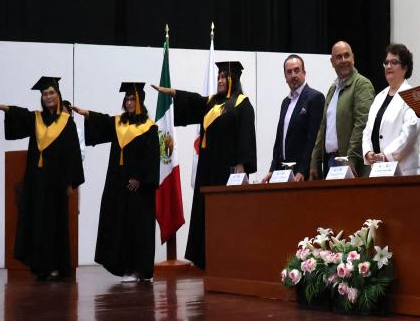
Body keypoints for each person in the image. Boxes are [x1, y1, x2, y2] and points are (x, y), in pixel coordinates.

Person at [152, 61, 257, 269]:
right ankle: (205, 257)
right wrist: (172, 92)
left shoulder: (242, 104)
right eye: (218, 77)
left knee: (226, 213)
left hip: (228, 169)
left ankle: (227, 258)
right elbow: (192, 100)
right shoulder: (210, 103)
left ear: (233, 79)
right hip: (207, 167)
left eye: (224, 77)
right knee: (205, 210)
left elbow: (246, 137)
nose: (220, 80)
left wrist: (241, 166)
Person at [0, 76, 85, 281]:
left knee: (55, 222)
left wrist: (71, 182)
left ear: (58, 95)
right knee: (37, 220)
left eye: (51, 93)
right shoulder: (36, 118)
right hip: (36, 180)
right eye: (44, 94)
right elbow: (21, 115)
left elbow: (73, 153)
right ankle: (40, 266)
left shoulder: (67, 122)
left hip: (57, 182)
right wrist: (5, 108)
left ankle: (56, 265)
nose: (48, 97)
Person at [71, 83, 160, 282]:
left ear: (140, 101)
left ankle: (139, 270)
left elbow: (152, 157)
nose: (129, 103)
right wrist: (86, 113)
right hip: (118, 184)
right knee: (120, 224)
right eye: (127, 99)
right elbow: (102, 121)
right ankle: (125, 268)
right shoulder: (119, 123)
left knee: (138, 227)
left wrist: (140, 178)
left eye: (133, 99)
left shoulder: (149, 127)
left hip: (138, 189)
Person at [310, 41, 375, 178]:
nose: (344, 60)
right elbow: (323, 127)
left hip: (350, 163)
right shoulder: (333, 89)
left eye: (347, 55)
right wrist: (315, 160)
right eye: (339, 57)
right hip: (331, 161)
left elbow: (362, 124)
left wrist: (350, 158)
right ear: (332, 62)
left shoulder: (362, 84)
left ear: (353, 58)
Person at [261, 55, 325, 183]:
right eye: (289, 72)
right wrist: (272, 169)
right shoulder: (285, 102)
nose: (293, 75)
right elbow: (279, 140)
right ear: (285, 77)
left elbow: (313, 139)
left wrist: (303, 170)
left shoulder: (315, 98)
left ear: (304, 72)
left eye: (297, 70)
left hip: (304, 174)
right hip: (283, 172)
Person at [362, 44, 420, 175]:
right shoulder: (379, 97)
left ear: (405, 67)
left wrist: (386, 155)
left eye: (394, 62)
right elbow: (368, 130)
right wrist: (368, 152)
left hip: (405, 172)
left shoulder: (413, 95)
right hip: (379, 169)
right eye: (386, 63)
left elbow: (410, 133)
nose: (388, 66)